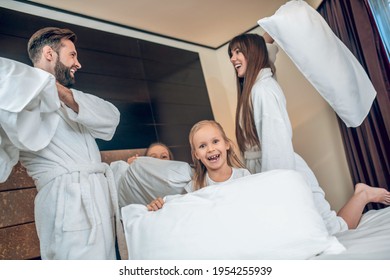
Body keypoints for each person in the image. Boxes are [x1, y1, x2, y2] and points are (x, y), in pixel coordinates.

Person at [228, 33, 390, 233]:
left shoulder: (263, 90)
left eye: (238, 52)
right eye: (231, 54)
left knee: (333, 229)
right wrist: (267, 35)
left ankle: (363, 194)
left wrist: (275, 189)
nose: (233, 58)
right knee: (313, 228)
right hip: (270, 169)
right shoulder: (255, 88)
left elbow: (276, 144)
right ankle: (361, 194)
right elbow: (265, 55)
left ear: (253, 53)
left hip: (283, 168)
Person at [18, 27, 121, 259]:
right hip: (66, 201)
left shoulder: (74, 100)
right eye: (72, 55)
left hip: (97, 199)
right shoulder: (21, 96)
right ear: (49, 54)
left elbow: (111, 119)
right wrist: (36, 85)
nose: (78, 63)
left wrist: (59, 92)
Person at [147, 120, 250, 211]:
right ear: (197, 155)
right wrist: (160, 204)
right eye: (202, 146)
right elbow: (178, 205)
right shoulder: (194, 187)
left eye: (215, 141)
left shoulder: (244, 176)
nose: (210, 149)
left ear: (226, 144)